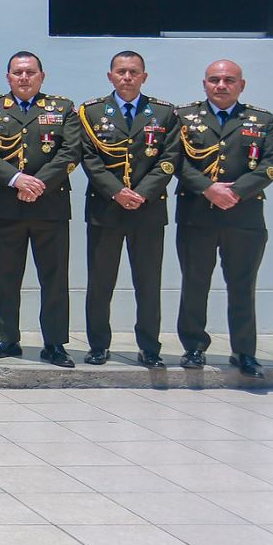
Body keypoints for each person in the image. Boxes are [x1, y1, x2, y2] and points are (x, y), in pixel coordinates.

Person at [0, 52, 81, 368]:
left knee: (54, 279)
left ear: (42, 77)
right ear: (8, 77)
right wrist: (17, 179)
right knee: (5, 278)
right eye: (17, 72)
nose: (24, 77)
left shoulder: (62, 108)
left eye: (30, 72)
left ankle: (54, 344)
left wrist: (38, 183)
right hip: (5, 207)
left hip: (50, 206)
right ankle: (7, 339)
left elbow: (72, 151)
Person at [175, 59, 273, 378]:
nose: (221, 85)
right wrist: (208, 188)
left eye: (228, 80)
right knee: (194, 283)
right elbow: (174, 160)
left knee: (242, 285)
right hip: (197, 216)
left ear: (241, 85)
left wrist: (237, 191)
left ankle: (244, 352)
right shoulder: (184, 117)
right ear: (204, 84)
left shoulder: (261, 120)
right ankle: (194, 347)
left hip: (244, 217)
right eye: (214, 79)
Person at [78, 50, 179, 367]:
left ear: (144, 77)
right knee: (100, 283)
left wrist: (142, 193)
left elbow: (169, 159)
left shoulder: (163, 113)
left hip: (148, 211)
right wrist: (117, 191)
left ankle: (149, 347)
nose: (127, 77)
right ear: (110, 76)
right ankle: (98, 345)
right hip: (105, 210)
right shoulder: (92, 112)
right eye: (121, 71)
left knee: (148, 284)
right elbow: (89, 159)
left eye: (134, 72)